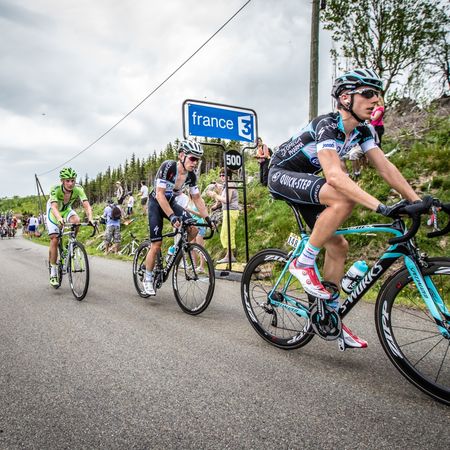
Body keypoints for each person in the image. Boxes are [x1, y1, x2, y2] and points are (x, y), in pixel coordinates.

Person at [268, 68, 420, 349]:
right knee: (343, 198)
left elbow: (384, 166)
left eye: (378, 94)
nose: (376, 100)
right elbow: (335, 176)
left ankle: (330, 318)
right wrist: (381, 207)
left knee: (338, 246)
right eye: (368, 93)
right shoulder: (327, 124)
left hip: (308, 182)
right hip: (280, 175)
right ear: (345, 97)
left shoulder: (362, 131)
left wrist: (415, 200)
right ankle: (303, 262)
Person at [143, 139, 214, 295]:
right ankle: (147, 278)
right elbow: (160, 195)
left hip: (171, 202)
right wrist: (172, 217)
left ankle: (174, 251)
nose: (195, 163)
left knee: (193, 229)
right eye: (192, 158)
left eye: (198, 159)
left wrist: (208, 219)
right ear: (182, 155)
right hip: (156, 203)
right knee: (156, 244)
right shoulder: (168, 167)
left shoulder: (191, 175)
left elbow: (197, 198)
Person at [46, 167, 94, 286]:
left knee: (76, 221)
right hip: (54, 212)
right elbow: (54, 207)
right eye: (67, 181)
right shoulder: (55, 189)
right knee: (55, 238)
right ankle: (53, 272)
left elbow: (87, 206)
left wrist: (91, 218)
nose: (71, 183)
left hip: (66, 210)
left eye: (73, 180)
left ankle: (71, 242)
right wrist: (59, 219)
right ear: (62, 181)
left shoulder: (78, 189)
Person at [207, 169, 240, 264]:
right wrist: (215, 205)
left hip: (231, 211)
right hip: (228, 211)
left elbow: (227, 200)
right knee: (226, 234)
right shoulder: (227, 185)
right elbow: (222, 198)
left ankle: (229, 256)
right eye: (220, 175)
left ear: (228, 176)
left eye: (223, 175)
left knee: (228, 234)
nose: (221, 177)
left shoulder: (230, 184)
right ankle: (229, 255)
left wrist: (214, 195)